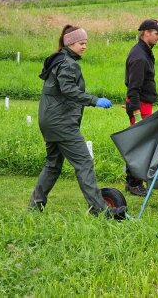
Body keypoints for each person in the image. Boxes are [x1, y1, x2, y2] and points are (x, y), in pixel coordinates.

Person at [29, 25, 126, 219]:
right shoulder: (67, 64)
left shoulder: (58, 61)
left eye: (86, 43)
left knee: (53, 165)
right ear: (70, 43)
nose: (85, 47)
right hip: (61, 123)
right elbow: (68, 90)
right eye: (82, 43)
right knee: (84, 163)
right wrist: (94, 100)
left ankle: (35, 207)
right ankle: (101, 211)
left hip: (49, 121)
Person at [123, 19, 158, 196]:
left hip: (143, 103)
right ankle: (134, 183)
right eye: (157, 34)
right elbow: (133, 88)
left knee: (142, 142)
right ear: (146, 33)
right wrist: (136, 113)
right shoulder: (139, 57)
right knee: (139, 144)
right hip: (139, 105)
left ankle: (133, 181)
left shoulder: (145, 51)